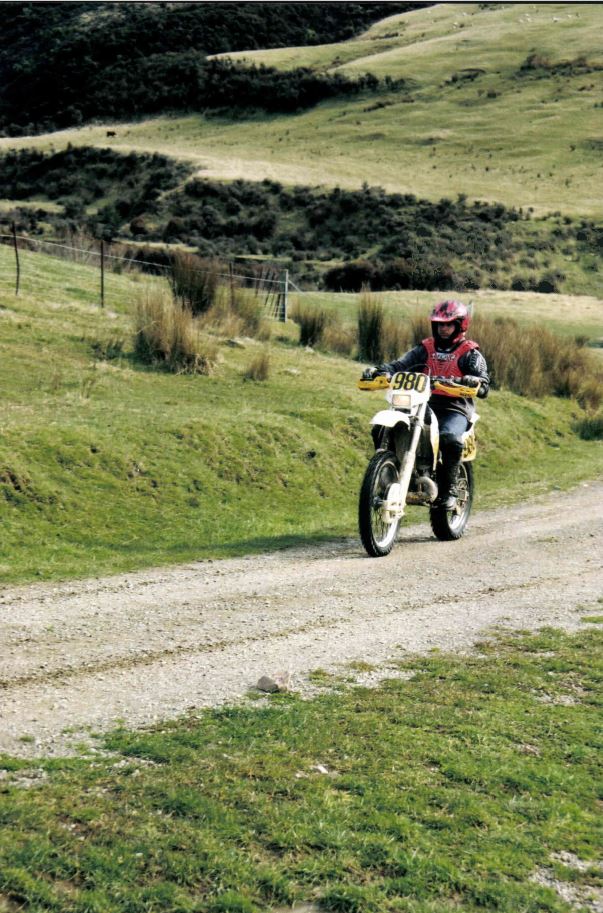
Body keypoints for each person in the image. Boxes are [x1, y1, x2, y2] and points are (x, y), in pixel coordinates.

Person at [362, 300, 490, 509]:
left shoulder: (470, 352)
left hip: (455, 407)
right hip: (423, 403)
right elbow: (400, 365)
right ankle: (389, 472)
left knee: (450, 438)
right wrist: (381, 370)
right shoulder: (425, 348)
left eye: (448, 324)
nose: (443, 329)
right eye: (440, 324)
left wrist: (473, 380)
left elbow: (484, 384)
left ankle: (449, 490)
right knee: (381, 428)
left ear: (460, 325)